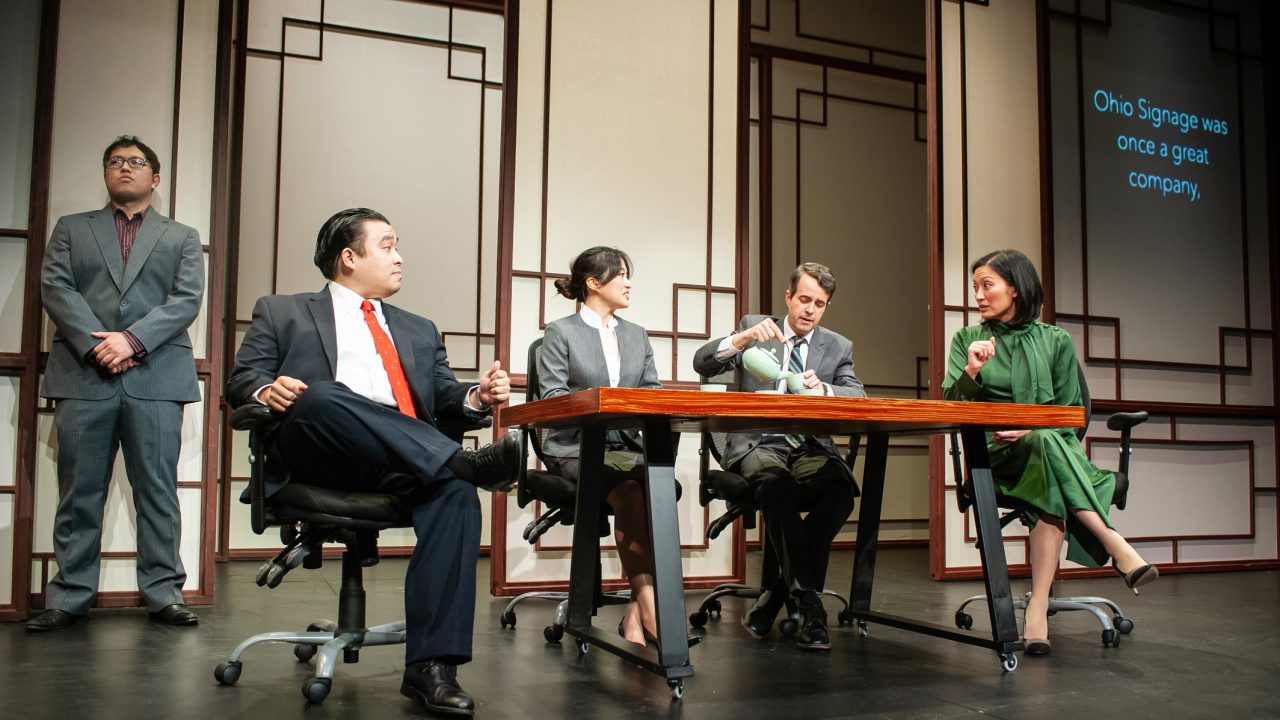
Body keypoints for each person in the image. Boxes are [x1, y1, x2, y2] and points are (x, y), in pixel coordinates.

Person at [225, 208, 522, 717]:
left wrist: (475, 397)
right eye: (387, 245)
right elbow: (240, 381)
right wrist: (267, 388)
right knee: (320, 396)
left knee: (454, 495)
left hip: (400, 457)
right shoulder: (283, 311)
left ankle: (432, 668)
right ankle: (461, 462)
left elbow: (443, 397)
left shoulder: (419, 329)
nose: (399, 256)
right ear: (348, 257)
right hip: (320, 449)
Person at [942, 248, 1158, 656]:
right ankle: (1115, 545)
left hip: (1047, 451)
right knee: (1047, 448)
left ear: (1016, 290)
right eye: (975, 287)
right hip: (994, 455)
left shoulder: (1055, 341)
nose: (979, 295)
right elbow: (950, 407)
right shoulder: (968, 340)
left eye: (987, 285)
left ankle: (1037, 606)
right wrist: (972, 370)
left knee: (1044, 447)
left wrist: (1031, 427)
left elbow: (1073, 416)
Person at [30, 136, 205, 632]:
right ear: (106, 174)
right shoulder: (72, 229)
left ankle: (164, 593)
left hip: (156, 376)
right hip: (84, 374)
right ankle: (69, 596)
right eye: (115, 161)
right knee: (78, 492)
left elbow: (186, 299)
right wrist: (100, 345)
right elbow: (56, 288)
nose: (124, 168)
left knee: (157, 491)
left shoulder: (183, 236)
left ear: (155, 176)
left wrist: (131, 340)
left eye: (136, 161)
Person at [693, 262, 865, 651]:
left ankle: (774, 595)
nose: (810, 310)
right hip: (757, 443)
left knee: (840, 490)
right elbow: (702, 364)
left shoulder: (837, 346)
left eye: (819, 304)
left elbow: (858, 396)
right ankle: (809, 604)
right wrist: (740, 340)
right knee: (777, 485)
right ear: (789, 298)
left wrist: (824, 390)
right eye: (804, 299)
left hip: (808, 445)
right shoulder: (756, 327)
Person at [537, 246, 671, 646]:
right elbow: (554, 396)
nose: (629, 283)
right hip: (575, 447)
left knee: (654, 485)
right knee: (632, 489)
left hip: (625, 448)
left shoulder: (636, 335)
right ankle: (650, 607)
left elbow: (652, 394)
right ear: (594, 283)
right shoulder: (561, 332)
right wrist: (602, 406)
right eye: (621, 275)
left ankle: (637, 612)